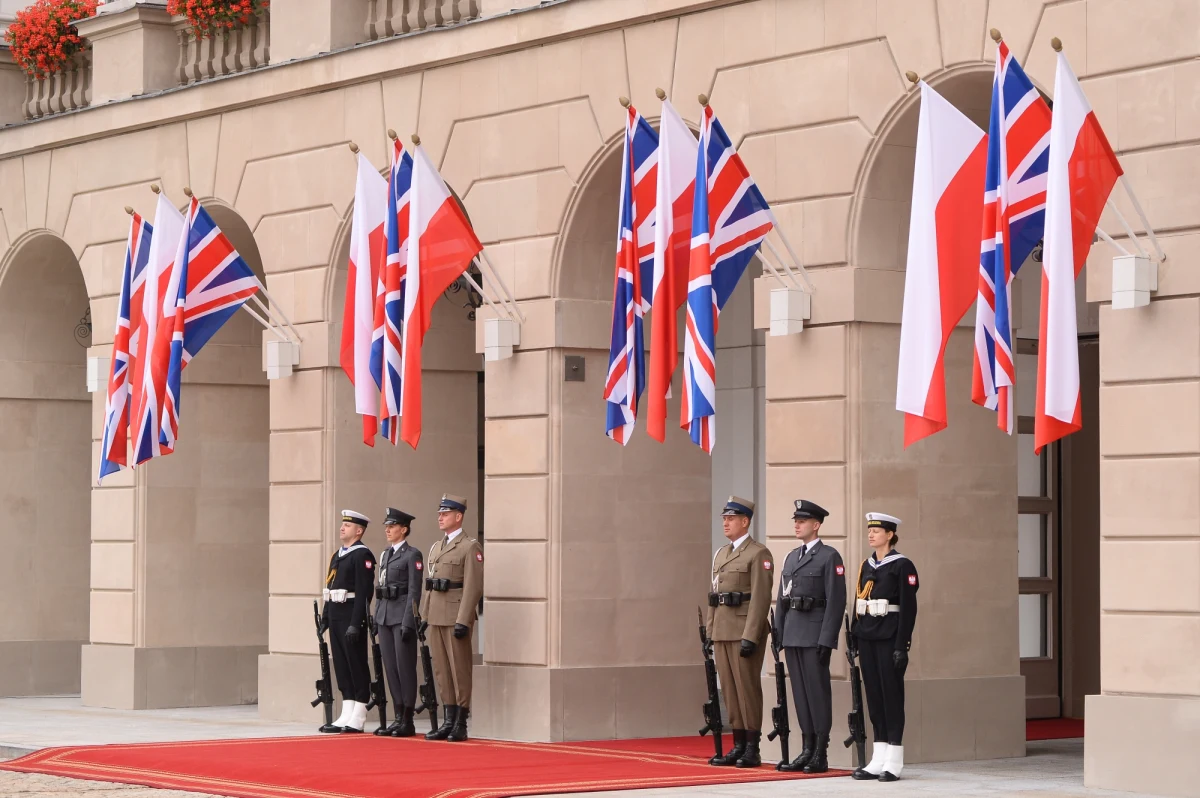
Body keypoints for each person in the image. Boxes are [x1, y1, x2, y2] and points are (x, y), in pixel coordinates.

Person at [774, 499, 846, 773]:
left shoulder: (829, 557)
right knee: (800, 694)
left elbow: (836, 601)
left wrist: (827, 639)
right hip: (793, 633)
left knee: (817, 693)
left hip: (815, 634)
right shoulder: (791, 557)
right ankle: (806, 748)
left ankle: (820, 752)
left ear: (816, 525)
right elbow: (782, 598)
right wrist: (778, 633)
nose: (797, 524)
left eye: (802, 521)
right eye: (796, 520)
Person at [706, 496, 774, 768]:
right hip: (723, 630)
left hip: (744, 630)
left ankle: (752, 747)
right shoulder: (721, 553)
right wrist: (710, 631)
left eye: (731, 518)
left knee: (747, 689)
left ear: (745, 521)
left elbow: (760, 597)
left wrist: (751, 635)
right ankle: (738, 744)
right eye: (724, 518)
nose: (726, 522)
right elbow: (714, 594)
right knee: (731, 691)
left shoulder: (758, 553)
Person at [851, 512, 918, 782]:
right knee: (875, 697)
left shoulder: (902, 565)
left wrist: (902, 645)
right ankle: (878, 758)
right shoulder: (866, 566)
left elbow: (909, 608)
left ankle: (894, 760)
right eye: (869, 531)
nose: (871, 535)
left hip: (890, 637)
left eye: (876, 531)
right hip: (868, 636)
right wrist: (855, 636)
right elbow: (859, 603)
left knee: (892, 697)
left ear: (890, 535)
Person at [418, 493, 483, 742]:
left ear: (459, 516)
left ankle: (461, 721)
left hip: (455, 614)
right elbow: (430, 585)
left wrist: (463, 619)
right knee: (442, 670)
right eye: (439, 514)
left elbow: (473, 587)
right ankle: (448, 719)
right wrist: (424, 615)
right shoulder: (436, 547)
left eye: (445, 514)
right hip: (436, 614)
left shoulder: (470, 546)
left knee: (459, 670)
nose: (440, 517)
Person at [319, 510, 376, 734]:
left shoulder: (362, 555)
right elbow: (330, 588)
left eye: (348, 525)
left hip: (352, 614)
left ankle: (359, 713)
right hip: (336, 614)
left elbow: (364, 592)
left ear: (359, 531)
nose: (342, 528)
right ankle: (347, 710)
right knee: (341, 664)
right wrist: (325, 618)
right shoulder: (338, 555)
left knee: (356, 663)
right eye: (342, 524)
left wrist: (357, 622)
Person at [372, 507, 423, 737]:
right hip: (384, 615)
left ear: (404, 529)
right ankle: (397, 714)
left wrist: (409, 621)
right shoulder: (385, 554)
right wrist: (376, 615)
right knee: (391, 668)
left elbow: (414, 590)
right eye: (386, 526)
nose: (388, 530)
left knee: (405, 669)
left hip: (402, 616)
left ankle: (408, 719)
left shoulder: (412, 554)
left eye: (392, 526)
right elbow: (381, 587)